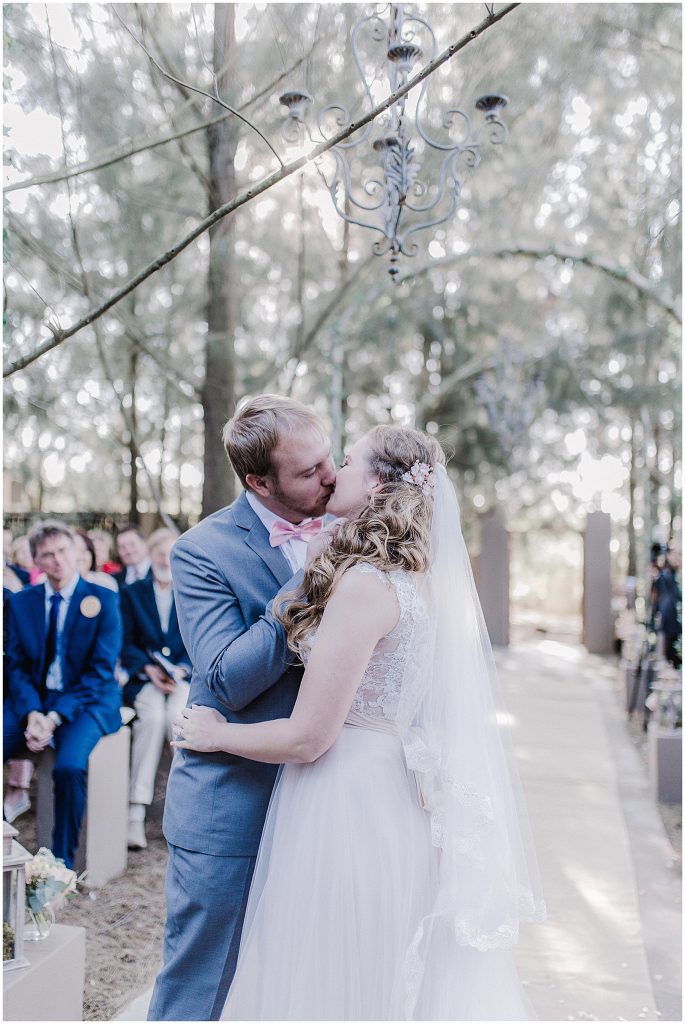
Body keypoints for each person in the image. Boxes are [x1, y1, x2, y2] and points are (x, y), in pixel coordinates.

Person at [174, 425, 547, 1021]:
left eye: (345, 461)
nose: (332, 474)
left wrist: (217, 734)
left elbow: (308, 736)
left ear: (376, 484)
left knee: (328, 978)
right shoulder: (418, 578)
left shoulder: (364, 585)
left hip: (343, 799)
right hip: (388, 790)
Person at [147, 394, 336, 1022]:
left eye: (329, 459)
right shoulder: (202, 551)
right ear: (259, 482)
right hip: (234, 803)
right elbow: (225, 680)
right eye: (308, 471)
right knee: (201, 987)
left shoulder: (356, 529)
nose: (330, 477)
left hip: (329, 800)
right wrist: (309, 578)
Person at [3, 521, 123, 867]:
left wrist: (54, 718)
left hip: (88, 700)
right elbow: (17, 667)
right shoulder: (22, 602)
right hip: (35, 699)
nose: (57, 560)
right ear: (36, 560)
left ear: (76, 552)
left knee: (69, 767)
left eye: (63, 551)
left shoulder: (103, 599)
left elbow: (100, 671)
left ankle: (60, 864)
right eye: (47, 554)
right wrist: (32, 713)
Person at [120, 527, 192, 851]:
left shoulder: (190, 589)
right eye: (160, 553)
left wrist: (182, 668)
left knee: (177, 719)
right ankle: (135, 812)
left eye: (170, 553)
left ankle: (183, 810)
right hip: (146, 677)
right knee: (150, 719)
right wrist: (147, 668)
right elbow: (125, 642)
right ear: (150, 555)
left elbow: (197, 638)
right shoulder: (132, 592)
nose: (165, 559)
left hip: (181, 678)